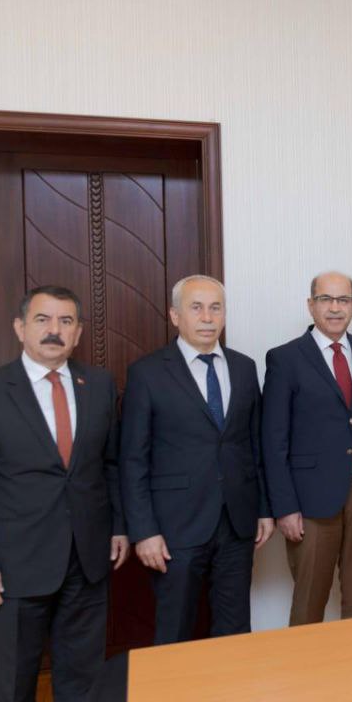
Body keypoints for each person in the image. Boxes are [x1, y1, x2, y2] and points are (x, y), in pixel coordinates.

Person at [0, 285, 128, 702]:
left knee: (82, 678)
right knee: (15, 686)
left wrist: (118, 526)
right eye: (43, 320)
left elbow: (110, 465)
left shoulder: (99, 385)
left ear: (78, 332)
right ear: (20, 328)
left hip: (87, 560)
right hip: (13, 568)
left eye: (66, 321)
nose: (54, 330)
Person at [120, 274, 274, 644]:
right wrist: (144, 531)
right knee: (175, 631)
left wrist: (264, 509)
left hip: (237, 522)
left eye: (215, 308)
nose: (207, 317)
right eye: (197, 308)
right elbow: (132, 460)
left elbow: (254, 445)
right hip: (175, 526)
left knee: (234, 630)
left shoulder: (244, 367)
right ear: (175, 316)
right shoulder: (147, 373)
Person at [262, 271, 352, 625]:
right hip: (310, 501)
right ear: (311, 305)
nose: (335, 308)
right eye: (326, 299)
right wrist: (284, 507)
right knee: (310, 601)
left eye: (343, 300)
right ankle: (305, 664)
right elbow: (273, 439)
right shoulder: (285, 358)